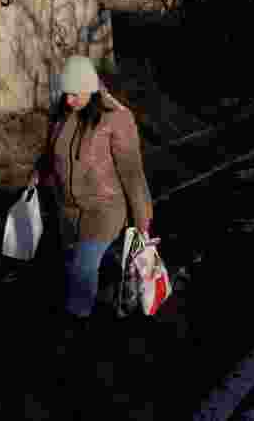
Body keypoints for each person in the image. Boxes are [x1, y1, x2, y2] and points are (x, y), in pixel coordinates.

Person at [28, 55, 152, 332]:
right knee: (75, 262)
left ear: (90, 89)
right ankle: (104, 291)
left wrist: (142, 221)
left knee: (83, 268)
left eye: (75, 94)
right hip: (69, 208)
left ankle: (78, 322)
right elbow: (51, 152)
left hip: (105, 208)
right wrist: (39, 172)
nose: (68, 99)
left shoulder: (116, 119)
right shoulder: (62, 113)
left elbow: (132, 174)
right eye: (66, 93)